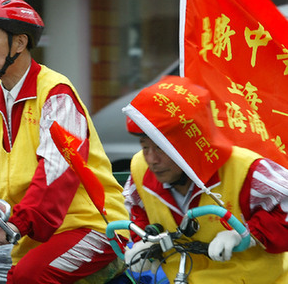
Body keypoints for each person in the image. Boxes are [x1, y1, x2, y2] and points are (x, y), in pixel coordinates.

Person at [0, 0, 130, 283]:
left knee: (27, 277)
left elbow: (57, 171)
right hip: (33, 235)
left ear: (20, 43)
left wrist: (16, 222)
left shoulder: (55, 93)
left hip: (94, 227)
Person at [122, 75, 288, 283]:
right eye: (145, 147)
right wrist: (143, 244)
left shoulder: (245, 170)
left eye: (161, 148)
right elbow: (139, 212)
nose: (152, 159)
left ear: (191, 143)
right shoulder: (140, 168)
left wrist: (246, 234)